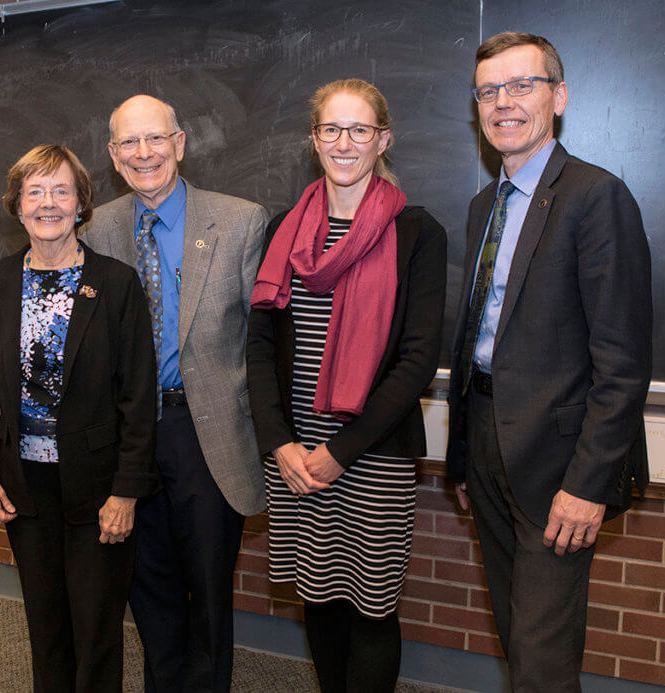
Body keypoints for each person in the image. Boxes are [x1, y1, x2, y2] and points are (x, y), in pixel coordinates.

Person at [445, 32, 652, 692]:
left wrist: (589, 482)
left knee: (541, 658)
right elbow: (480, 332)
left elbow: (621, 361)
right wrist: (463, 456)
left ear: (557, 97)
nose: (503, 102)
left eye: (521, 86)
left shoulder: (597, 197)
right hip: (487, 444)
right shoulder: (485, 205)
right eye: (488, 91)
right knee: (517, 634)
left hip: (561, 463)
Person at [246, 79, 446, 692]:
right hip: (297, 456)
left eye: (360, 129)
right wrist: (281, 444)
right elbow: (257, 347)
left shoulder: (416, 232)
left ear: (382, 139)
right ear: (314, 139)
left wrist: (341, 452)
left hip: (372, 455)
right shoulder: (286, 229)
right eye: (331, 129)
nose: (344, 142)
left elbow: (416, 361)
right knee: (320, 601)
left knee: (371, 610)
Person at [85, 94, 268, 692]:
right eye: (129, 143)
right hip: (129, 438)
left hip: (206, 433)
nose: (144, 154)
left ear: (180, 143)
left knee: (209, 592)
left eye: (156, 139)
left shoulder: (240, 221)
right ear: (113, 155)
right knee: (150, 586)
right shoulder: (98, 227)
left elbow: (263, 341)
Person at [0, 144, 159, 693]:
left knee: (97, 632)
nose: (48, 203)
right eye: (35, 192)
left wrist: (126, 492)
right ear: (17, 206)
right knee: (44, 625)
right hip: (23, 484)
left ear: (81, 204)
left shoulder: (116, 285)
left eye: (61, 190)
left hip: (97, 488)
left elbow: (139, 399)